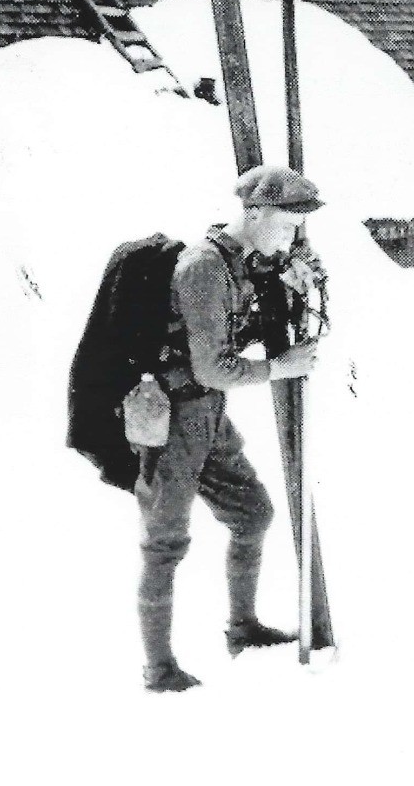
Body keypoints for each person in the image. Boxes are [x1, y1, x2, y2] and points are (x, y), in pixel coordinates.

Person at [136, 164, 323, 693]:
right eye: (286, 225)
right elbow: (212, 367)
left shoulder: (241, 263)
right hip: (172, 420)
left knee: (252, 513)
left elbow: (237, 332)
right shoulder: (204, 267)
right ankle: (158, 670)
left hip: (207, 416)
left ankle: (242, 627)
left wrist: (298, 279)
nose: (290, 237)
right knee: (164, 543)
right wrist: (279, 367)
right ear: (256, 213)